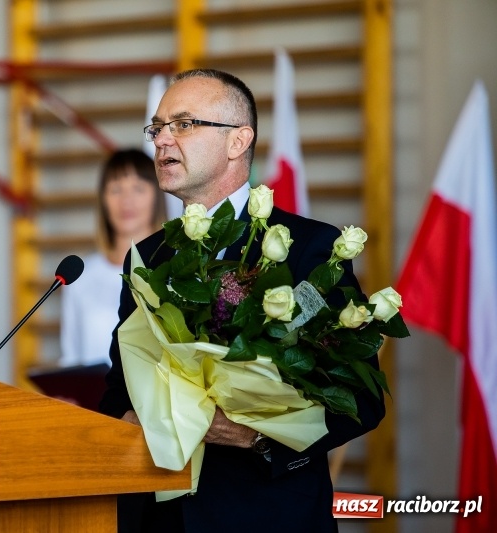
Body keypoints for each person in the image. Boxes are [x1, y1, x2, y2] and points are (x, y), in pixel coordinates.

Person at [99, 69, 386, 532]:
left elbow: (361, 398)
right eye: (157, 128)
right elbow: (118, 387)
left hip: (266, 514)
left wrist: (257, 438)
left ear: (238, 141)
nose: (162, 141)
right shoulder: (147, 258)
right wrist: (130, 417)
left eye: (184, 124)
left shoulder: (308, 248)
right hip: (159, 517)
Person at [59, 148, 167, 367]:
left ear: (157, 196)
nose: (127, 200)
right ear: (103, 200)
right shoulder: (81, 276)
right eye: (116, 189)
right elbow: (70, 360)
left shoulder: (176, 269)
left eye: (138, 188)